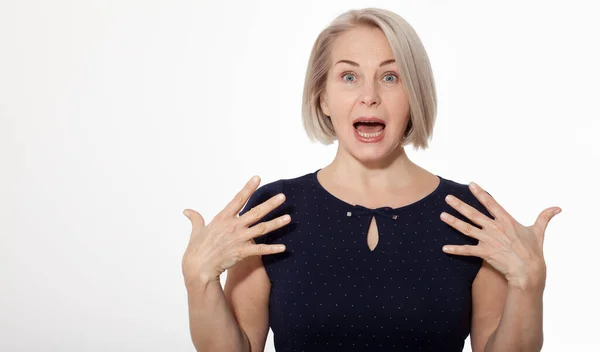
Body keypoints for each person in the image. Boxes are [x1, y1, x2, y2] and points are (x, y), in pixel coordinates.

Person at [181, 7, 560, 352]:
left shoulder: (468, 214)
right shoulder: (275, 209)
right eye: (349, 76)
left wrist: (529, 285)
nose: (369, 96)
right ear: (323, 99)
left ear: (415, 95)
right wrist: (199, 280)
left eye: (390, 77)